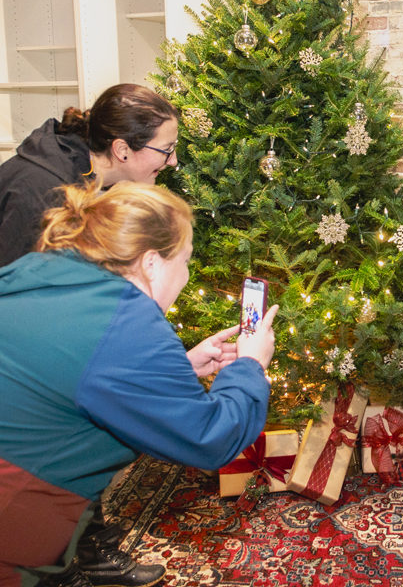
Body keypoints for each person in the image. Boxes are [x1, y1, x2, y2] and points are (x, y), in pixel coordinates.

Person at [0, 180, 278, 587]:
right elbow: (210, 439)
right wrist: (250, 364)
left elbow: (75, 373)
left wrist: (180, 365)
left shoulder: (39, 270)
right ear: (151, 262)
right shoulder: (127, 324)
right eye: (184, 260)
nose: (185, 275)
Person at [0, 83, 180, 268]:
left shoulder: (89, 177)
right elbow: (16, 288)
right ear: (122, 149)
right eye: (166, 150)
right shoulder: (45, 193)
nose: (173, 160)